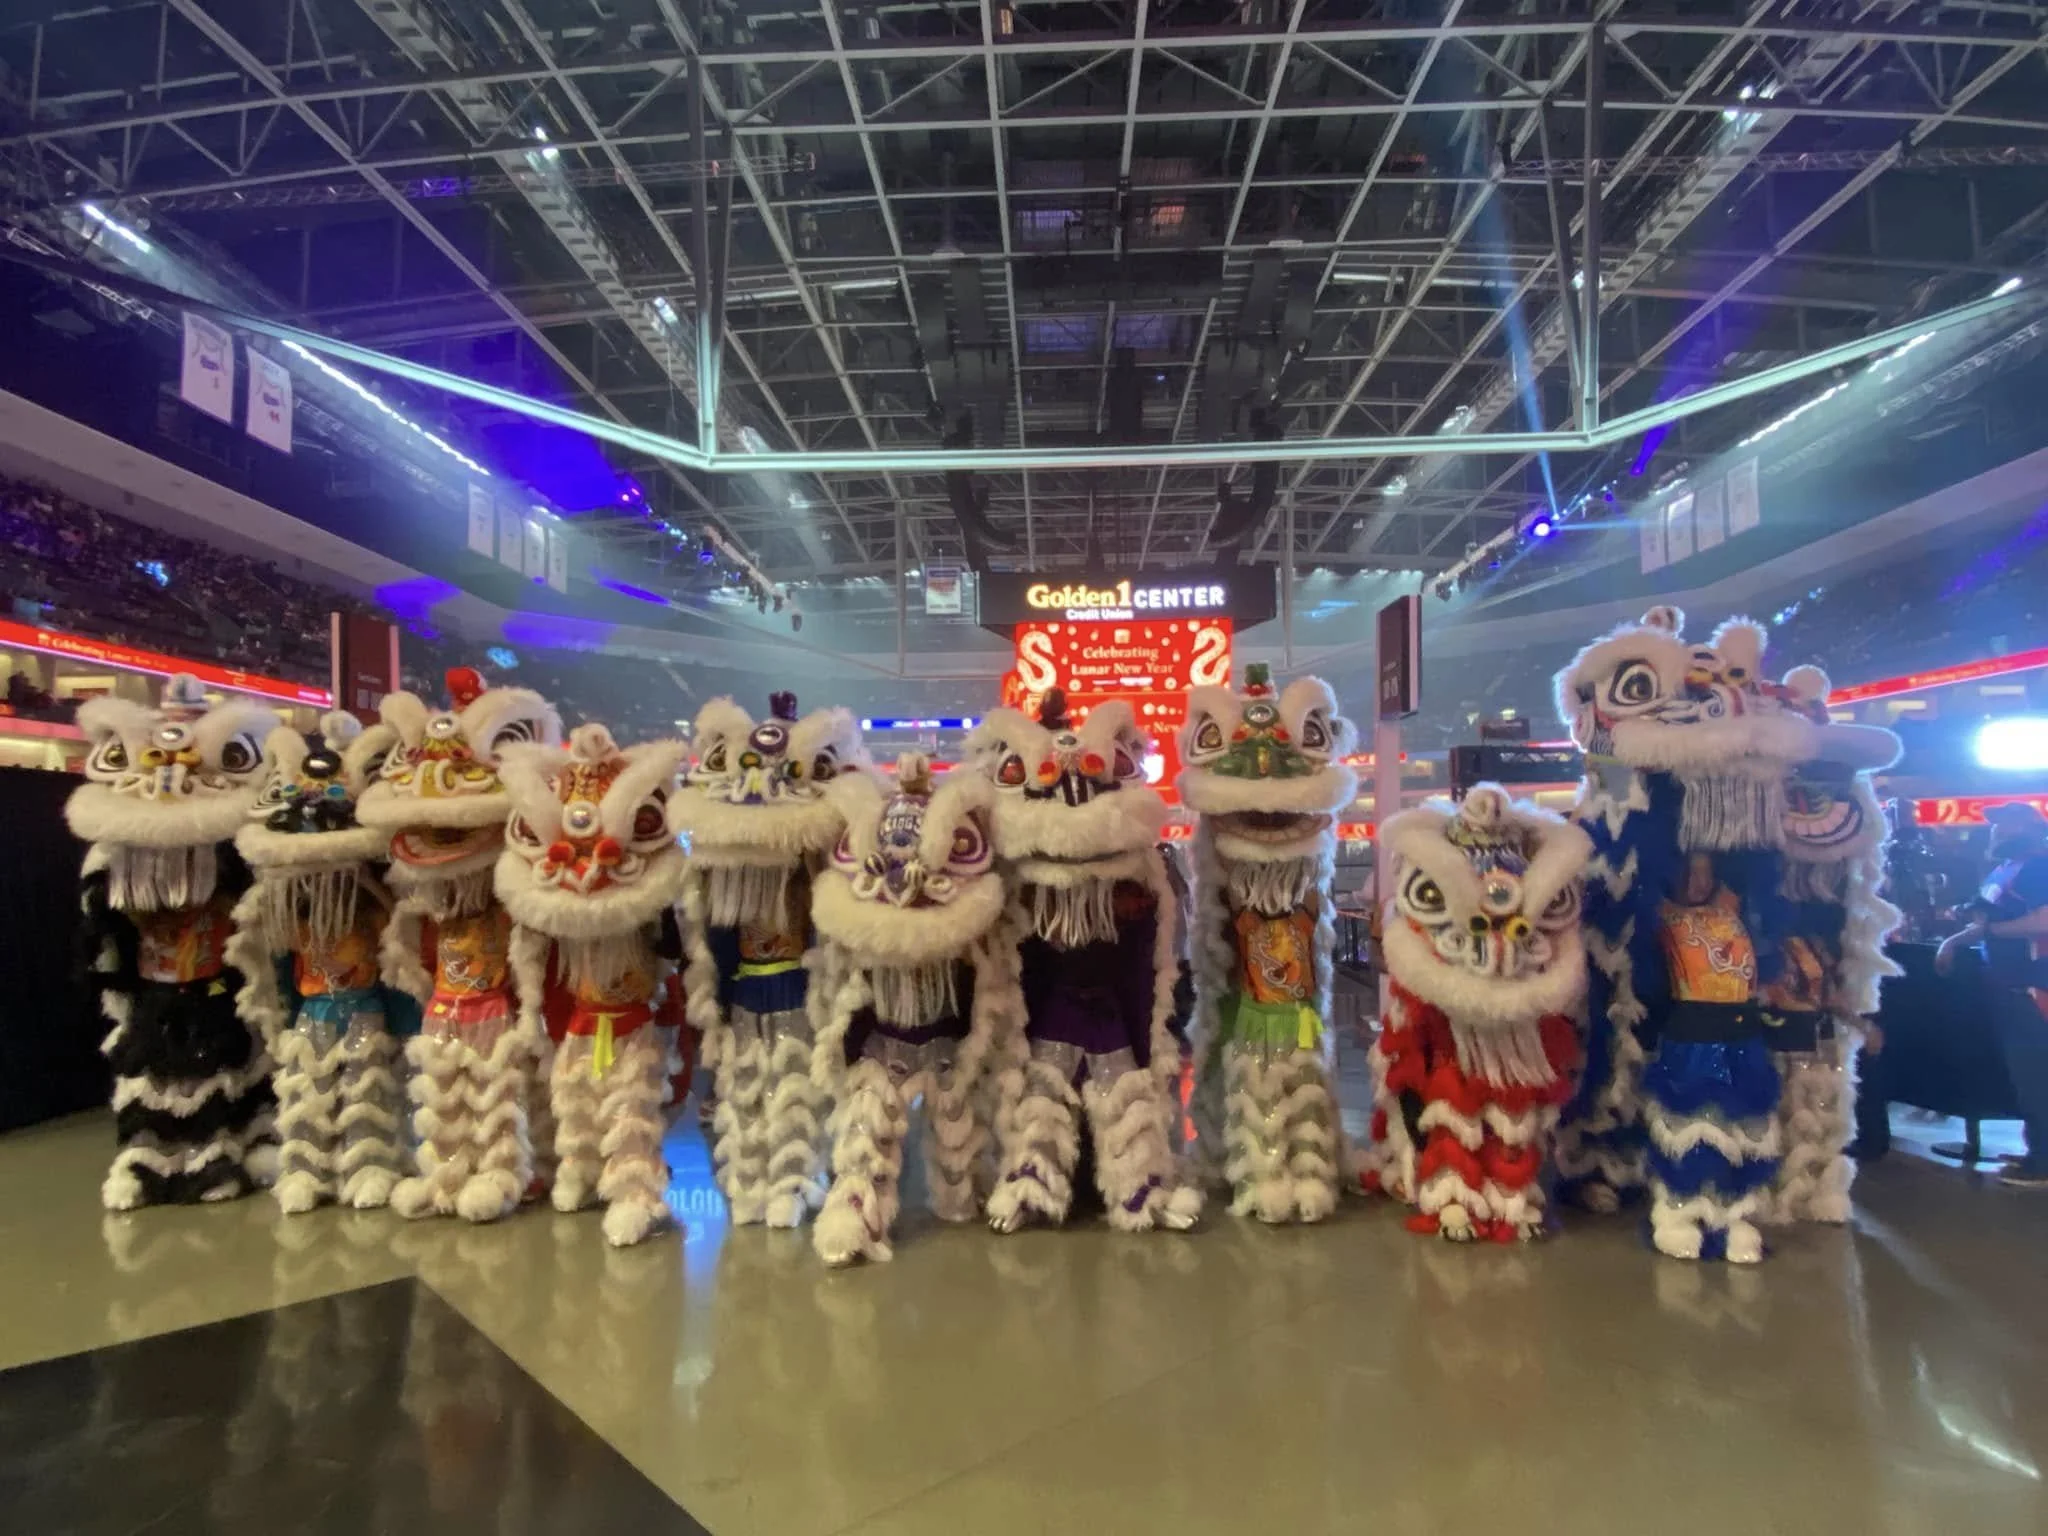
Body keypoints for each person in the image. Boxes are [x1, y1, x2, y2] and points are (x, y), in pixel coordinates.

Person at [1935, 802, 2048, 1188]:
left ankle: (2044, 1161)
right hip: (2004, 984)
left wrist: (1996, 934)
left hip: (2033, 986)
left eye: (2005, 824)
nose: (1997, 832)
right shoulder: (2005, 870)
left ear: (2026, 827)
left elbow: (2043, 918)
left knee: (2037, 1075)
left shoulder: (2039, 866)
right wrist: (1951, 942)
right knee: (2024, 1076)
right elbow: (1982, 922)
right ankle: (2036, 1150)